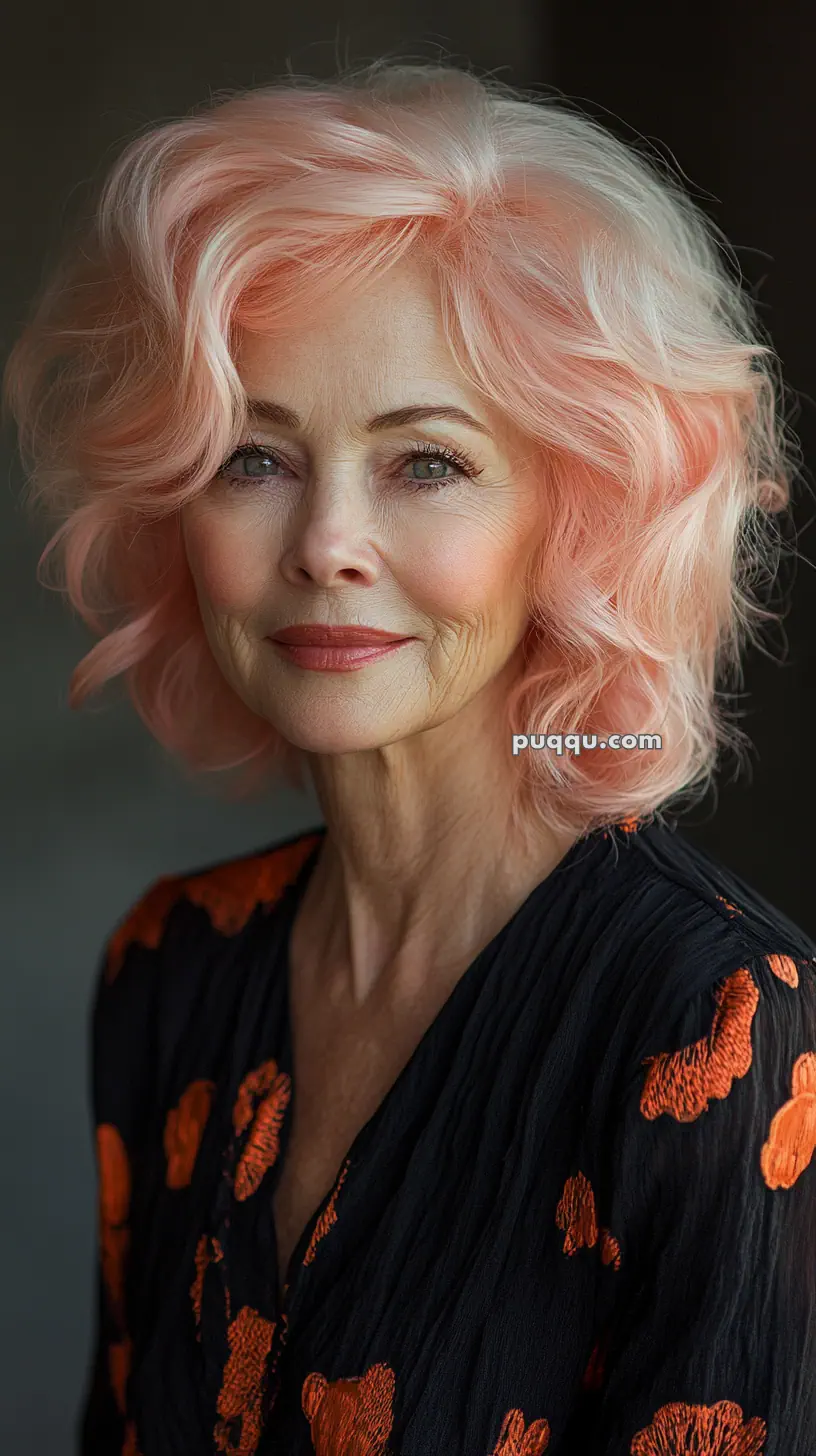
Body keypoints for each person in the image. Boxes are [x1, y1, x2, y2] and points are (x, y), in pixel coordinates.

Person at [5, 57, 816, 1456]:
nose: (326, 542)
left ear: (577, 518)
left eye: (424, 461)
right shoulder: (170, 966)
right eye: (252, 458)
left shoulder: (720, 1021)